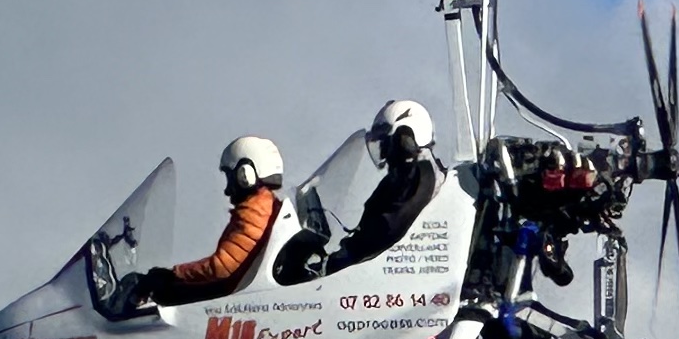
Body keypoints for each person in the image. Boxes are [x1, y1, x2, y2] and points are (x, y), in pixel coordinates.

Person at [109, 135, 286, 315]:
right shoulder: (264, 205)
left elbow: (222, 267)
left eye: (230, 178)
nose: (227, 189)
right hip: (231, 292)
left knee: (152, 289)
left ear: (244, 175)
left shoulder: (255, 211)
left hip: (226, 298)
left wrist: (174, 274)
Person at [297, 98, 444, 277]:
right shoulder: (406, 176)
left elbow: (386, 231)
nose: (383, 152)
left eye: (386, 143)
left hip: (392, 276)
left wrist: (340, 260)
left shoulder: (420, 176)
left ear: (404, 140)